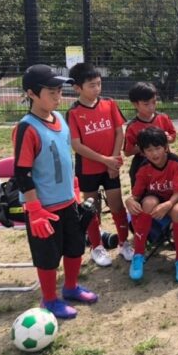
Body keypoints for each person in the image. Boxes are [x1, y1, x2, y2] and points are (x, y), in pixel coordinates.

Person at [13, 64, 98, 319]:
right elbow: (22, 173)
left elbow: (65, 157)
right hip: (44, 209)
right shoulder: (27, 128)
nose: (58, 96)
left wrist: (75, 189)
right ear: (31, 93)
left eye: (59, 90)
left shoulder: (60, 119)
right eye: (51, 92)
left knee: (75, 248)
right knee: (47, 257)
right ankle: (49, 299)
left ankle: (71, 287)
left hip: (68, 202)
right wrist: (34, 210)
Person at [66, 62, 127, 266]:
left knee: (117, 204)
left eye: (99, 84)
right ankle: (97, 247)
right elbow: (77, 145)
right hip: (88, 169)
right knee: (92, 208)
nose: (97, 88)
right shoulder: (74, 112)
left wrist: (113, 160)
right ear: (77, 88)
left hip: (111, 167)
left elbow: (119, 133)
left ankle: (124, 243)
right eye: (91, 85)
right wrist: (104, 160)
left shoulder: (109, 104)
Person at [124, 127, 178, 283]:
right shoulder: (143, 167)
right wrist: (129, 200)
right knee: (148, 203)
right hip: (155, 199)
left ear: (166, 147)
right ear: (143, 152)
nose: (154, 153)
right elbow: (136, 195)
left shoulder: (175, 162)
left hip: (176, 198)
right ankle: (138, 255)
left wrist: (168, 204)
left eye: (158, 148)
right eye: (149, 150)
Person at [124, 82, 176, 190]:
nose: (151, 107)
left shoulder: (163, 118)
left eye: (154, 102)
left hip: (164, 162)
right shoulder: (133, 126)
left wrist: (168, 138)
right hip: (142, 164)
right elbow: (127, 152)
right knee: (142, 194)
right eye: (146, 104)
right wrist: (147, 146)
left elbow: (173, 137)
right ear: (135, 104)